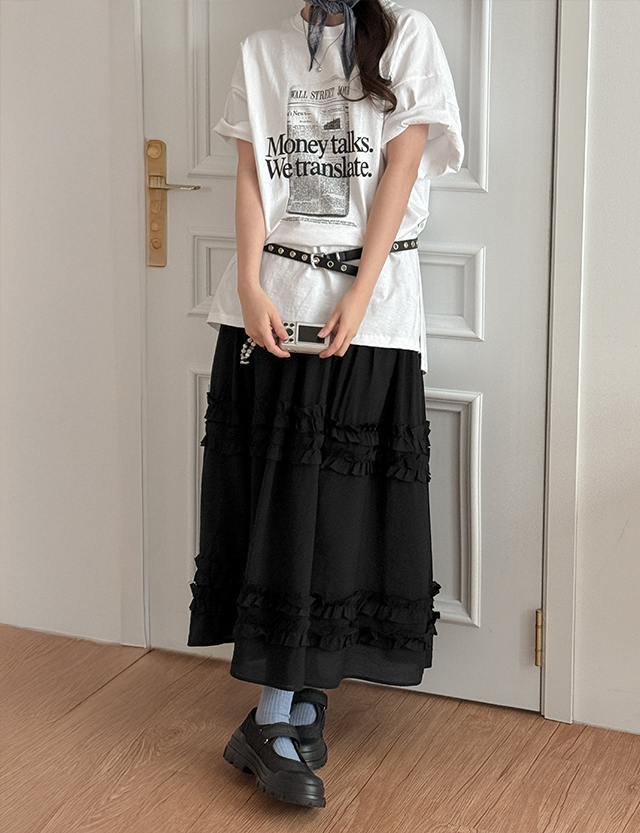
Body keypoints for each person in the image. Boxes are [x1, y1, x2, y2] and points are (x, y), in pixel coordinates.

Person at [187, 0, 463, 809]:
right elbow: (250, 173)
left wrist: (361, 294)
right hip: (274, 303)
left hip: (369, 310)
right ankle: (279, 716)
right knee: (279, 508)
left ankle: (292, 704)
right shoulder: (261, 49)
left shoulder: (407, 35)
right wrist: (248, 284)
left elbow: (403, 166)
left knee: (338, 515)